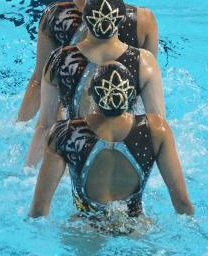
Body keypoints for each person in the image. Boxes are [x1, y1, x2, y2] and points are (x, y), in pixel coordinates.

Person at [29, 62, 193, 223]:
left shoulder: (64, 133)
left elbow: (38, 210)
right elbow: (182, 203)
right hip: (136, 229)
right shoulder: (156, 130)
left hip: (85, 231)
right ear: (131, 93)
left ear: (90, 92)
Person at [16, 0, 158, 122]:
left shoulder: (55, 16)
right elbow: (146, 83)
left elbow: (38, 80)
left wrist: (18, 125)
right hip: (120, 126)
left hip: (70, 126)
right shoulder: (144, 20)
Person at [25, 0, 164, 167]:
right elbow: (157, 126)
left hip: (75, 150)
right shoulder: (144, 62)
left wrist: (26, 169)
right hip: (124, 156)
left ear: (83, 19)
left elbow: (45, 126)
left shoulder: (60, 60)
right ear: (122, 20)